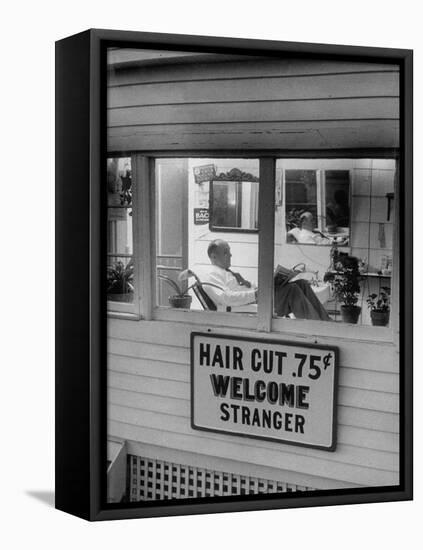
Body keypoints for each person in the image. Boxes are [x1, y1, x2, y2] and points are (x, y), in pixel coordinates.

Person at [202, 239, 331, 320]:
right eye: (226, 252)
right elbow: (226, 298)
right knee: (292, 290)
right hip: (250, 307)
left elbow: (246, 288)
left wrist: (263, 284)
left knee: (301, 283)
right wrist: (256, 294)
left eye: (229, 251)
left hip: (256, 299)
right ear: (213, 256)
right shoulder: (211, 275)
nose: (230, 255)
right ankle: (315, 326)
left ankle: (325, 322)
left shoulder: (226, 272)